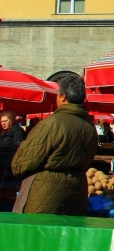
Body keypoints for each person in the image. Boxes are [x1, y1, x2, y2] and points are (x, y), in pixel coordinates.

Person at [11, 74, 98, 215]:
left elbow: (22, 163)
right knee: (66, 235)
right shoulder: (90, 127)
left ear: (62, 97)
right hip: (77, 190)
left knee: (39, 234)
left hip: (46, 191)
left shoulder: (52, 123)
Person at [0, 111, 25, 179]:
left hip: (10, 168)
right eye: (2, 122)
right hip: (4, 166)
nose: (3, 123)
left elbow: (18, 148)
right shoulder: (4, 133)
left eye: (5, 121)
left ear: (11, 121)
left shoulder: (17, 132)